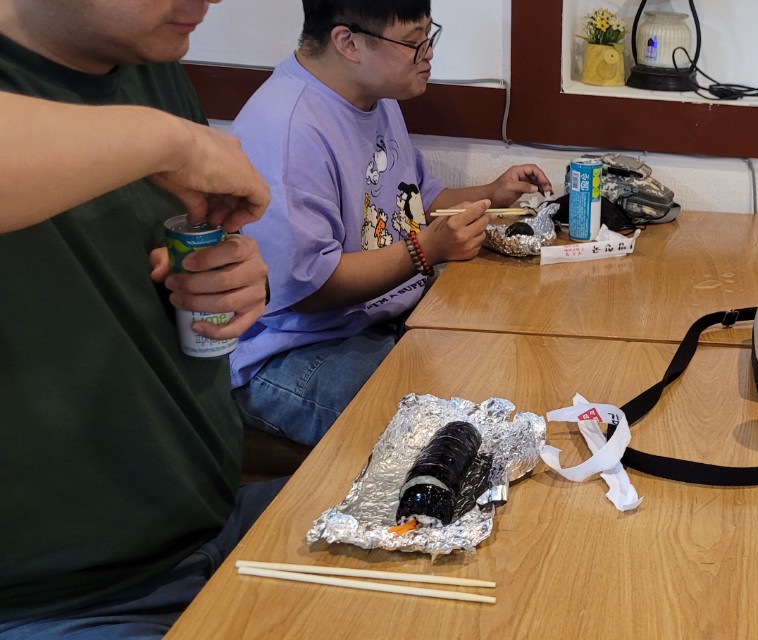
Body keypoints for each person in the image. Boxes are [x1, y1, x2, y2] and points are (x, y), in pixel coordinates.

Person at [0, 1, 281, 637]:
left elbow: (170, 255)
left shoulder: (148, 58)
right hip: (62, 598)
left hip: (210, 523)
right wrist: (174, 139)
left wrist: (236, 277)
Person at [228, 0, 553, 446]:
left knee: (497, 368)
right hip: (295, 349)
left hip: (379, 318)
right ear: (348, 43)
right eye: (414, 42)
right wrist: (426, 250)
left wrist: (492, 193)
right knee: (440, 440)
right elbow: (310, 289)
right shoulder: (288, 130)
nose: (428, 54)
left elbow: (416, 204)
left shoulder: (375, 97)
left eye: (428, 36)